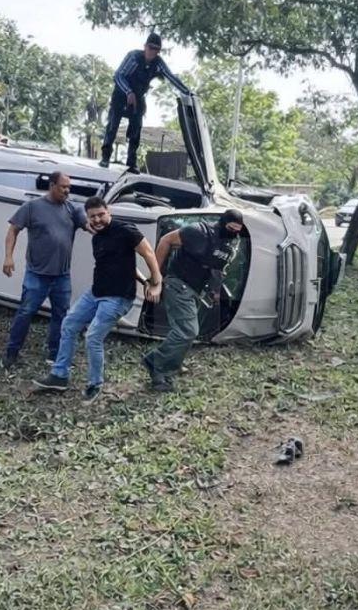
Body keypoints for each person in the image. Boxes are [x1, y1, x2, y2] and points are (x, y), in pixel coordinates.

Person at [33, 196, 163, 401]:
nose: (97, 220)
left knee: (93, 337)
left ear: (108, 212)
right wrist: (141, 279)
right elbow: (125, 264)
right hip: (96, 292)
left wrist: (156, 282)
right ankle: (59, 375)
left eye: (101, 214)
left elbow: (148, 253)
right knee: (68, 324)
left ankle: (95, 384)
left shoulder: (126, 230)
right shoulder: (97, 237)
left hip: (118, 297)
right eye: (93, 217)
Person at [142, 210, 245, 392]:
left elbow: (217, 269)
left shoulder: (230, 243)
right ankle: (156, 364)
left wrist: (214, 292)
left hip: (196, 290)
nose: (233, 233)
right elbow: (166, 240)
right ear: (223, 223)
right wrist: (155, 277)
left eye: (237, 230)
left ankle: (173, 363)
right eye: (230, 228)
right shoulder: (199, 231)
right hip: (178, 283)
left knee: (186, 330)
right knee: (188, 331)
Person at [1, 171, 88, 369]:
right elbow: (13, 230)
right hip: (37, 274)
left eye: (69, 187)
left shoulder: (72, 209)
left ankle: (54, 354)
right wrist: (8, 257)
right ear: (52, 185)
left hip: (62, 276)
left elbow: (88, 225)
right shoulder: (32, 207)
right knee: (25, 312)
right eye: (63, 187)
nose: (67, 191)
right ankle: (11, 354)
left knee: (61, 315)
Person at [99, 32, 192, 174]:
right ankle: (105, 156)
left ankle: (131, 163)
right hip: (121, 93)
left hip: (138, 96)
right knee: (113, 125)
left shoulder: (158, 63)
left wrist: (187, 92)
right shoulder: (134, 57)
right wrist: (128, 92)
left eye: (155, 49)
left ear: (158, 51)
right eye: (150, 47)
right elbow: (118, 75)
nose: (152, 52)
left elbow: (170, 76)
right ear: (145, 47)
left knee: (136, 128)